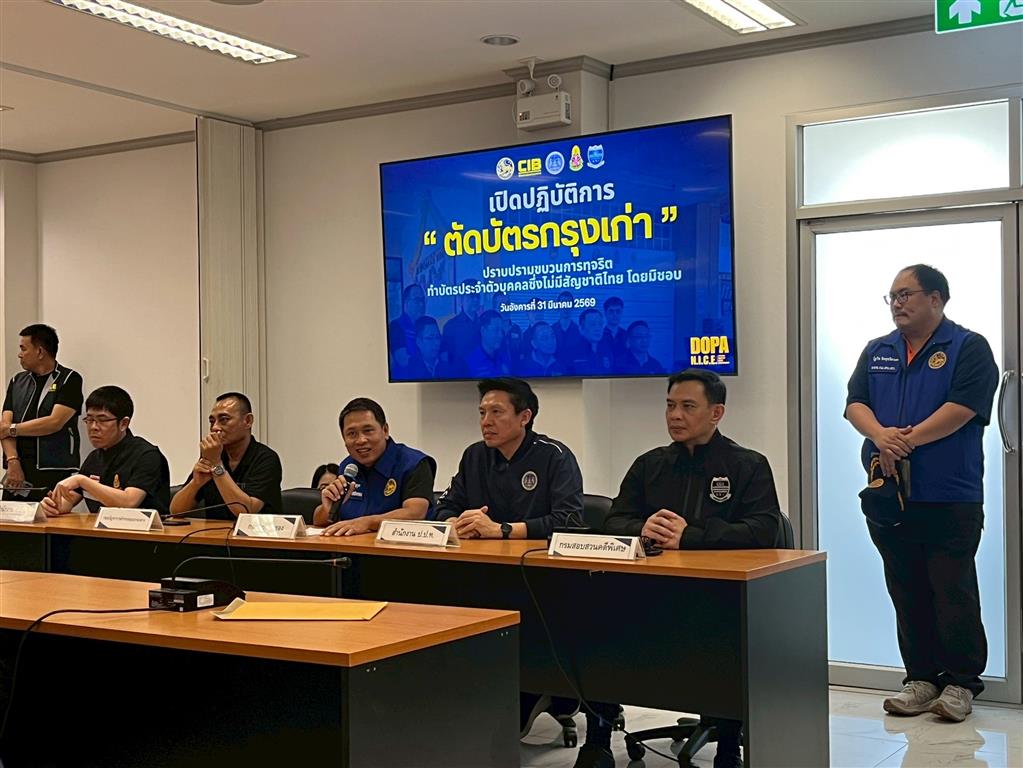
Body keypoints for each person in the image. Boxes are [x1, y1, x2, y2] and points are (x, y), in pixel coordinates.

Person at [604, 368, 783, 768]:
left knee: (725, 641)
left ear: (716, 413)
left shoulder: (747, 465)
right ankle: (598, 743)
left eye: (687, 406)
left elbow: (764, 529)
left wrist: (691, 537)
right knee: (595, 622)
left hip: (718, 596)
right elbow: (613, 520)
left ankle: (728, 748)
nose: (675, 415)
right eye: (670, 405)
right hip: (651, 592)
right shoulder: (649, 464)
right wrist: (641, 529)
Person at [434, 378, 616, 768]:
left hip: (549, 584)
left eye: (496, 412)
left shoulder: (554, 456)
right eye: (482, 412)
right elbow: (445, 505)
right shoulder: (474, 456)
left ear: (525, 417)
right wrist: (453, 522)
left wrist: (502, 530)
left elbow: (569, 520)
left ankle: (558, 698)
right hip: (488, 578)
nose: (486, 421)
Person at [845, 264, 998, 723]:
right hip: (891, 495)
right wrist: (881, 436)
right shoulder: (878, 350)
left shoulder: (968, 347)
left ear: (936, 298)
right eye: (892, 296)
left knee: (952, 589)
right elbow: (855, 404)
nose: (897, 303)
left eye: (905, 294)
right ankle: (920, 679)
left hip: (950, 495)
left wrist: (903, 441)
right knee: (906, 589)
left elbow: (963, 409)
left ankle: (961, 683)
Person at [39, 385, 170, 517]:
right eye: (89, 419)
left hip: (146, 529)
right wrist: (52, 506)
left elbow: (129, 502)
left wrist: (82, 481)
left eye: (102, 420)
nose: (93, 427)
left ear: (124, 423)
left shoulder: (146, 455)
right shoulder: (94, 458)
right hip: (102, 528)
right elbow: (67, 500)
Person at [313, 397, 436, 536]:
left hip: (400, 547)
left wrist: (367, 523)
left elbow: (415, 513)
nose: (361, 440)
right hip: (352, 547)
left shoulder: (413, 463)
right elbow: (318, 521)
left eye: (368, 430)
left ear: (385, 430)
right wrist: (328, 508)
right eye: (352, 433)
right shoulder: (348, 467)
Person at [1, 324, 84, 500]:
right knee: (11, 516)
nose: (19, 354)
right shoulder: (17, 381)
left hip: (53, 469)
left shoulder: (69, 379)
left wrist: (12, 429)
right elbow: (4, 426)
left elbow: (54, 422)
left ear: (40, 352)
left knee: (49, 515)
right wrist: (12, 461)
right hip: (18, 469)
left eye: (23, 349)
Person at [169, 392, 282, 520]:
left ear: (247, 421)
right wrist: (196, 483)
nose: (215, 427)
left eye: (224, 420)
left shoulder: (266, 459)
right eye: (212, 421)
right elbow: (175, 511)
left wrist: (217, 465)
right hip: (215, 531)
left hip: (256, 531)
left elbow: (246, 511)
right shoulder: (215, 455)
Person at [440, 279, 482, 367]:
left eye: (477, 296)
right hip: (460, 373)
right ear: (460, 300)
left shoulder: (484, 324)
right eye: (471, 296)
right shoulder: (450, 326)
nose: (475, 299)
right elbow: (445, 358)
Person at [388, 283, 428, 368]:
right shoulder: (396, 326)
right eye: (417, 300)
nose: (421, 304)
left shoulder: (428, 325)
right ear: (406, 303)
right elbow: (403, 361)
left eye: (423, 300)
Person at [567, 308, 614, 375]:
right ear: (581, 328)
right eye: (592, 324)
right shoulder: (571, 352)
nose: (598, 328)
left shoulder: (608, 350)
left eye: (600, 324)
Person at [465, 310, 510, 377]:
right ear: (483, 331)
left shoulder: (505, 358)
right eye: (496, 330)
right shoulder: (469, 362)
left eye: (501, 330)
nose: (500, 335)